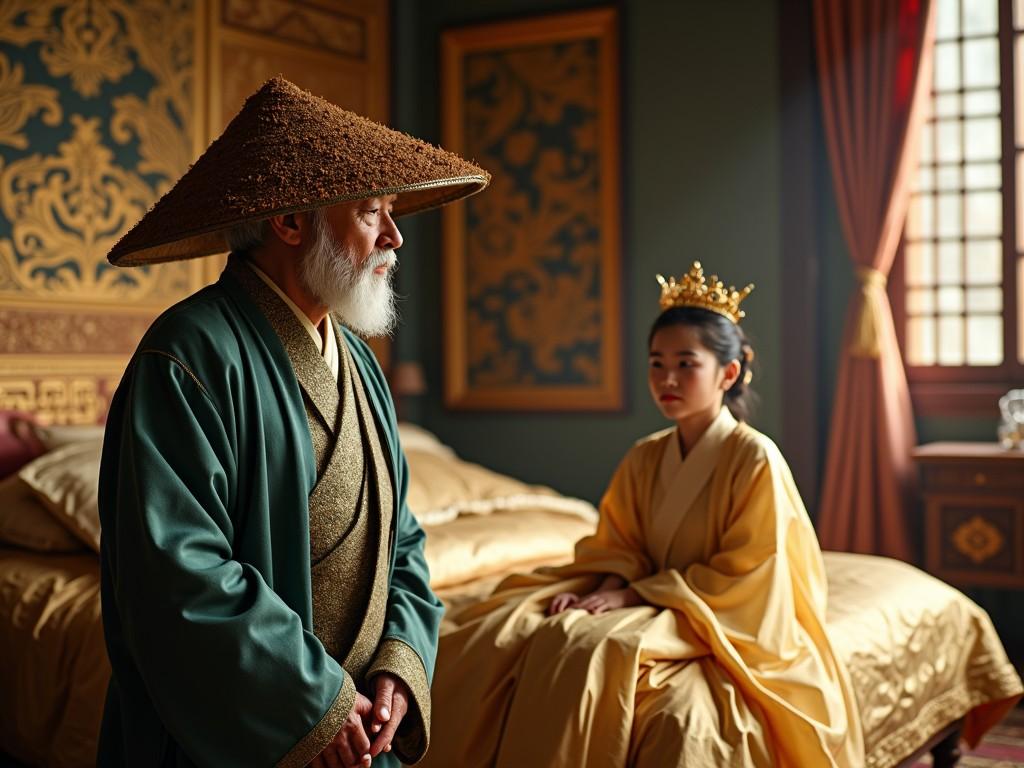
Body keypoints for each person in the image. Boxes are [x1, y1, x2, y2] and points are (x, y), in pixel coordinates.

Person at [96, 77, 489, 768]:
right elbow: (177, 574)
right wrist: (316, 705)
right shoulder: (187, 353)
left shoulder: (362, 365)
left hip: (363, 729)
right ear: (289, 222)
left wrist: (398, 665)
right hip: (258, 727)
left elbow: (403, 540)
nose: (394, 237)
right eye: (373, 213)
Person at [421, 262, 865, 768]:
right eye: (656, 363)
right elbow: (619, 543)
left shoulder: (753, 458)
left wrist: (630, 594)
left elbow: (750, 574)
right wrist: (597, 584)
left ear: (729, 373)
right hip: (663, 600)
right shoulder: (645, 456)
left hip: (718, 615)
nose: (667, 379)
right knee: (516, 629)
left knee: (593, 647)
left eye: (686, 364)